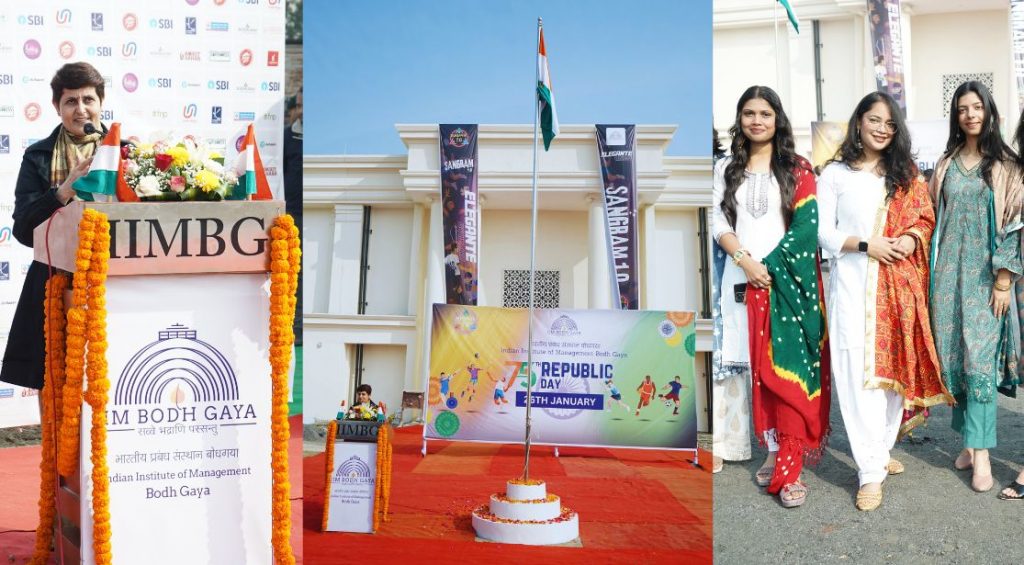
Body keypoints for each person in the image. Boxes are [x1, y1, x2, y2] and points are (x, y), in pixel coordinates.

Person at [817, 91, 953, 511]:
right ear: (858, 122)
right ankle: (870, 473)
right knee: (859, 381)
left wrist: (911, 238)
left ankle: (876, 450)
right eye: (874, 120)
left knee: (893, 379)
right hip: (855, 289)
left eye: (889, 123)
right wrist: (866, 244)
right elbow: (821, 232)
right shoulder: (835, 174)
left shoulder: (904, 174)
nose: (881, 128)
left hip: (899, 292)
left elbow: (924, 218)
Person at [712, 85, 829, 508]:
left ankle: (790, 468)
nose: (756, 120)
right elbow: (716, 220)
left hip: (788, 284)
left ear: (777, 118)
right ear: (739, 119)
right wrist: (746, 262)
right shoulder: (727, 168)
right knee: (761, 370)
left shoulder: (797, 168)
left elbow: (806, 227)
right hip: (744, 282)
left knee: (788, 370)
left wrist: (770, 267)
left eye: (764, 113)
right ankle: (774, 448)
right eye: (748, 113)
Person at [929, 81, 1023, 494]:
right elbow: (932, 217)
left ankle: (982, 455)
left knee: (980, 362)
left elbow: (1018, 223)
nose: (970, 114)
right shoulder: (945, 163)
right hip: (946, 277)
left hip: (986, 280)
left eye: (976, 107)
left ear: (989, 112)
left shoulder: (1007, 165)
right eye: (962, 108)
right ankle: (969, 443)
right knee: (955, 358)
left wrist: (1004, 278)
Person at [0, 62, 106, 398]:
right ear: (57, 107)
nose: (81, 109)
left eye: (88, 99)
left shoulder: (125, 152)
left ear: (101, 102)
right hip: (53, 279)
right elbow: (23, 228)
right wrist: (64, 189)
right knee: (55, 381)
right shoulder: (38, 156)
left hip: (114, 279)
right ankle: (58, 450)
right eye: (70, 102)